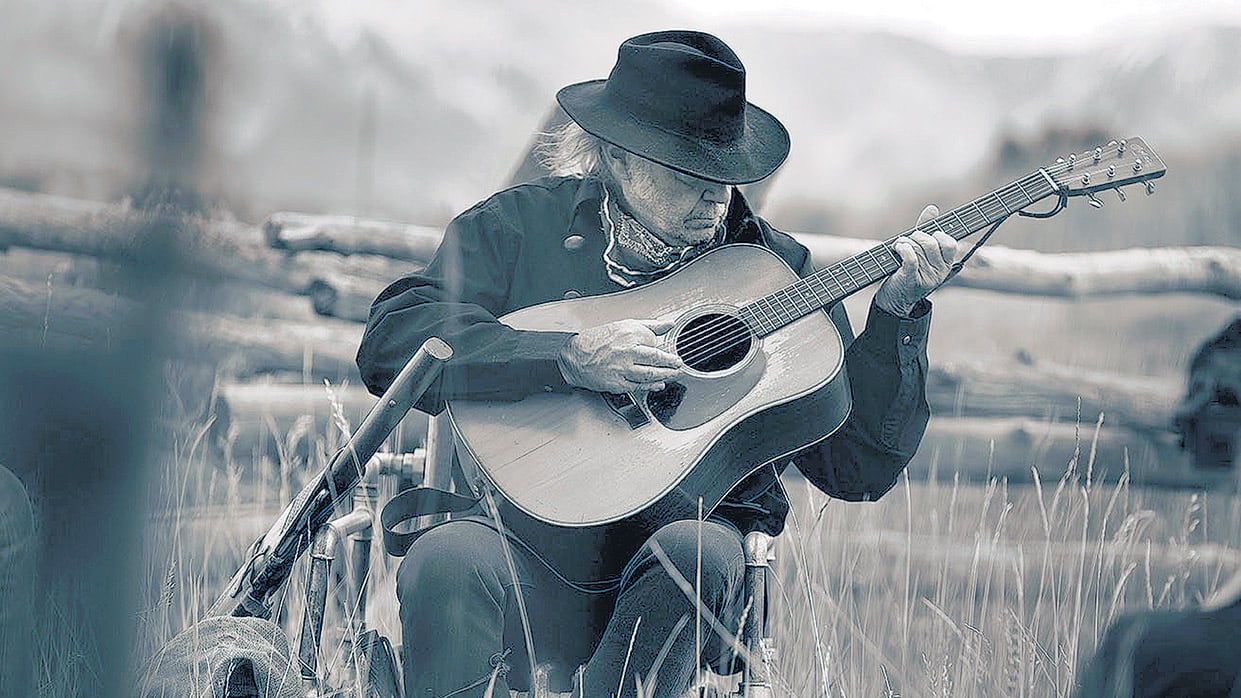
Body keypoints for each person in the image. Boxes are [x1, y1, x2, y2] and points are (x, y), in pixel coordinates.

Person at [357, 30, 956, 698]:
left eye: (727, 177)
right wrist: (563, 356)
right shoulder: (517, 228)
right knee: (444, 558)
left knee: (694, 556)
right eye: (689, 176)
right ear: (617, 155)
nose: (717, 200)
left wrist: (897, 315)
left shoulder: (777, 274)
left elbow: (857, 470)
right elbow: (391, 340)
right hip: (522, 546)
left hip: (680, 570)